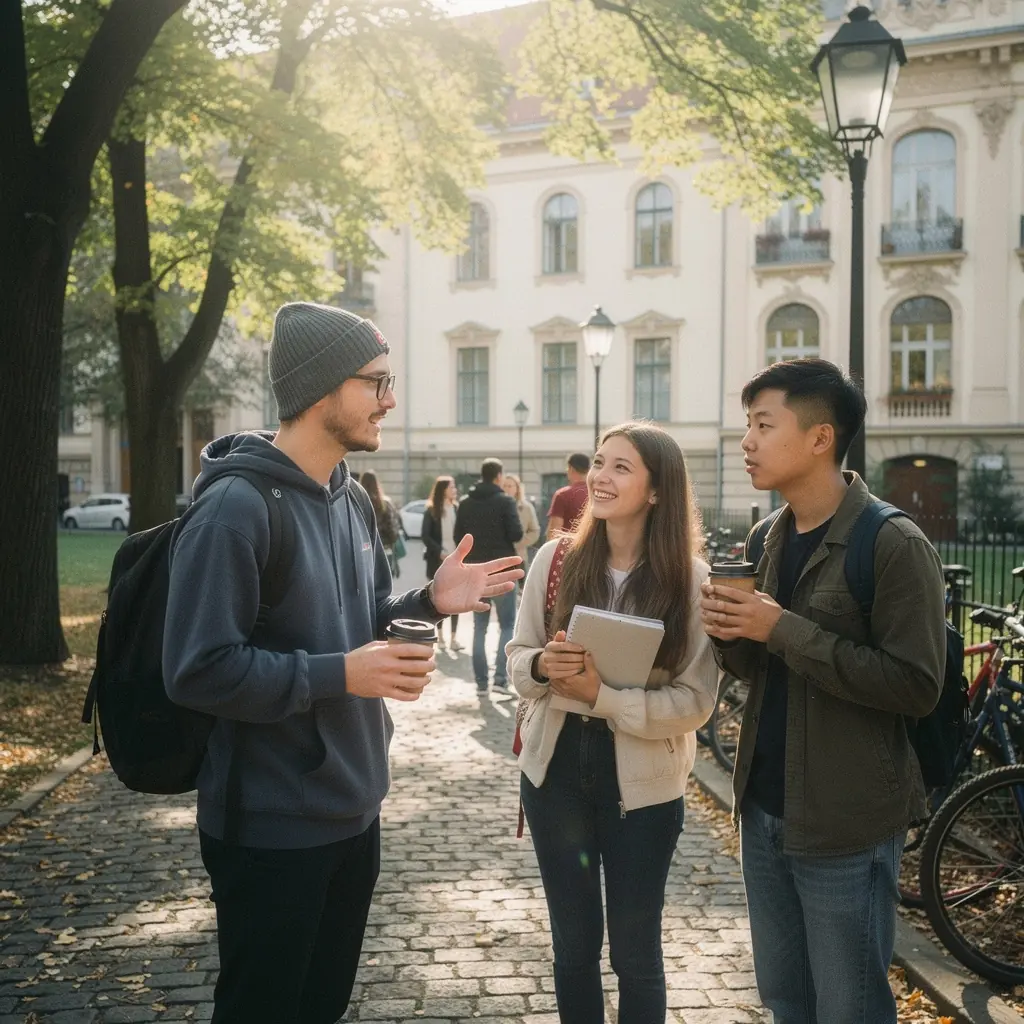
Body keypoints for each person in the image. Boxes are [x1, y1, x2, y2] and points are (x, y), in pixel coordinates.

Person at [162, 301, 523, 1024]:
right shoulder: (235, 508)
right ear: (322, 387)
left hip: (354, 810)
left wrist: (429, 599)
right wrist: (341, 675)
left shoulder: (350, 499)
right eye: (376, 382)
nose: (391, 400)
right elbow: (197, 668)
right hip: (270, 826)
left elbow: (356, 628)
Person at [699, 358, 945, 1024]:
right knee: (786, 1002)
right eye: (746, 424)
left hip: (845, 824)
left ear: (820, 437)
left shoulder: (893, 543)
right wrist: (731, 632)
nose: (746, 440)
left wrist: (782, 628)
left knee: (850, 1008)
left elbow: (917, 684)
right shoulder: (766, 537)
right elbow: (761, 671)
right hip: (763, 809)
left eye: (762, 424)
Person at [507, 422, 718, 1024]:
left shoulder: (692, 581)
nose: (600, 476)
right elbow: (518, 663)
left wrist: (604, 697)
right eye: (599, 462)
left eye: (620, 467)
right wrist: (545, 664)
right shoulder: (555, 560)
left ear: (657, 490)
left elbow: (695, 701)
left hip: (643, 789)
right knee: (573, 950)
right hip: (556, 778)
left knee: (636, 954)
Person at [454, 457, 523, 694]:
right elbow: (516, 534)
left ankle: (481, 683)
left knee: (479, 628)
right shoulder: (505, 502)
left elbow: (458, 538)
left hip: (474, 572)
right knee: (507, 626)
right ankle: (500, 680)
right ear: (498, 477)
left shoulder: (464, 503)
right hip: (502, 572)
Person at [421, 475, 463, 651]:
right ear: (443, 489)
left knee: (456, 600)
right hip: (437, 560)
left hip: (455, 560)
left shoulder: (456, 508)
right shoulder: (431, 511)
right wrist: (440, 552)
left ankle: (454, 638)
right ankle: (440, 636)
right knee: (438, 598)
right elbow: (426, 536)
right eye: (451, 486)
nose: (455, 489)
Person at [360, 469, 402, 577]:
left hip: (362, 551)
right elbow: (392, 530)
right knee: (383, 587)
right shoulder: (385, 503)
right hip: (383, 550)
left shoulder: (356, 502)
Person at [502, 473, 541, 576]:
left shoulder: (526, 507)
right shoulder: (496, 506)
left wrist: (519, 543)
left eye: (510, 486)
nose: (506, 489)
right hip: (499, 556)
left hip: (519, 556)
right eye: (504, 486)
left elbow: (535, 531)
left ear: (517, 488)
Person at [545, 451, 590, 540]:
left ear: (571, 468)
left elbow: (554, 532)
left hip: (568, 549)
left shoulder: (562, 495)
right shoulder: (596, 493)